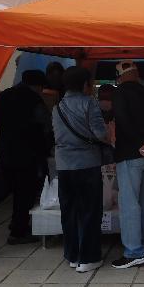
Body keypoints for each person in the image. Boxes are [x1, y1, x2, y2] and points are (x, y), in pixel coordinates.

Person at [53, 66, 109, 272]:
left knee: (69, 211)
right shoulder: (89, 103)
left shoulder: (57, 107)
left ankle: (72, 255)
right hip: (87, 163)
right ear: (85, 84)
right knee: (90, 211)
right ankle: (88, 258)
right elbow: (100, 133)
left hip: (64, 165)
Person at [0, 70, 53, 245]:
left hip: (6, 151)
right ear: (38, 86)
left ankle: (16, 224)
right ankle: (18, 232)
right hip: (28, 154)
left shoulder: (4, 96)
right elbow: (46, 125)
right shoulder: (34, 100)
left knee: (15, 190)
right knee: (25, 193)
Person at [111, 61, 144, 269]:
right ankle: (143, 242)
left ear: (119, 76)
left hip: (130, 152)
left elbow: (122, 119)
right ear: (136, 74)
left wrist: (137, 143)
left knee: (129, 203)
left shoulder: (120, 92)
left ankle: (134, 251)